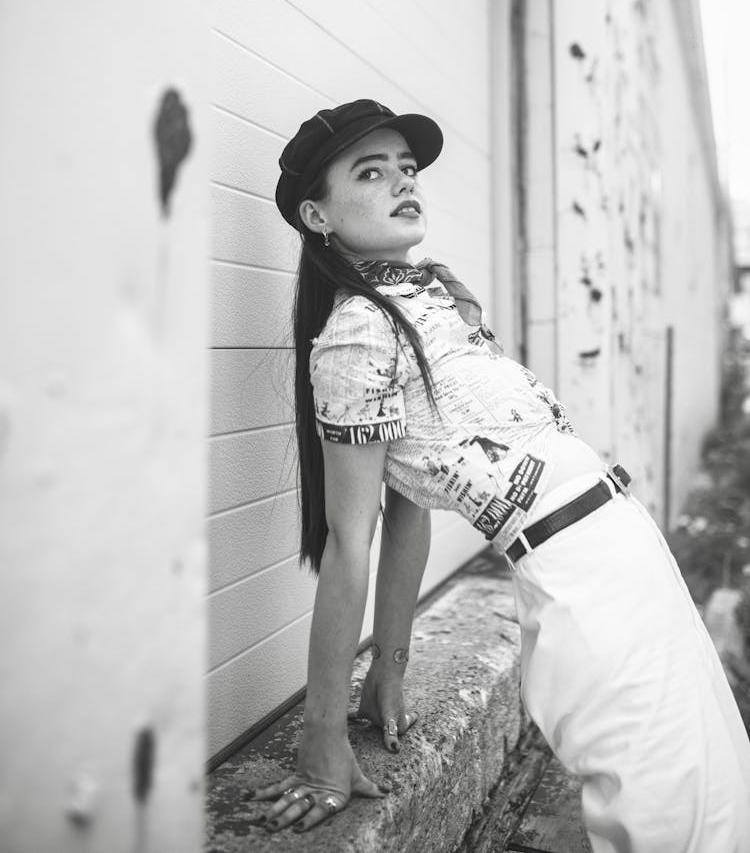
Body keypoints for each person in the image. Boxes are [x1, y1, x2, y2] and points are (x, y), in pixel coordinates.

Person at [246, 99, 750, 850]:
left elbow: (410, 506)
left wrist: (392, 666)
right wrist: (324, 737)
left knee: (716, 778)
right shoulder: (354, 335)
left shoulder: (435, 295)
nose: (402, 182)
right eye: (371, 172)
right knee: (665, 805)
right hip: (575, 567)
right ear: (317, 216)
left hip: (625, 542)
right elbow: (355, 542)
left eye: (407, 169)